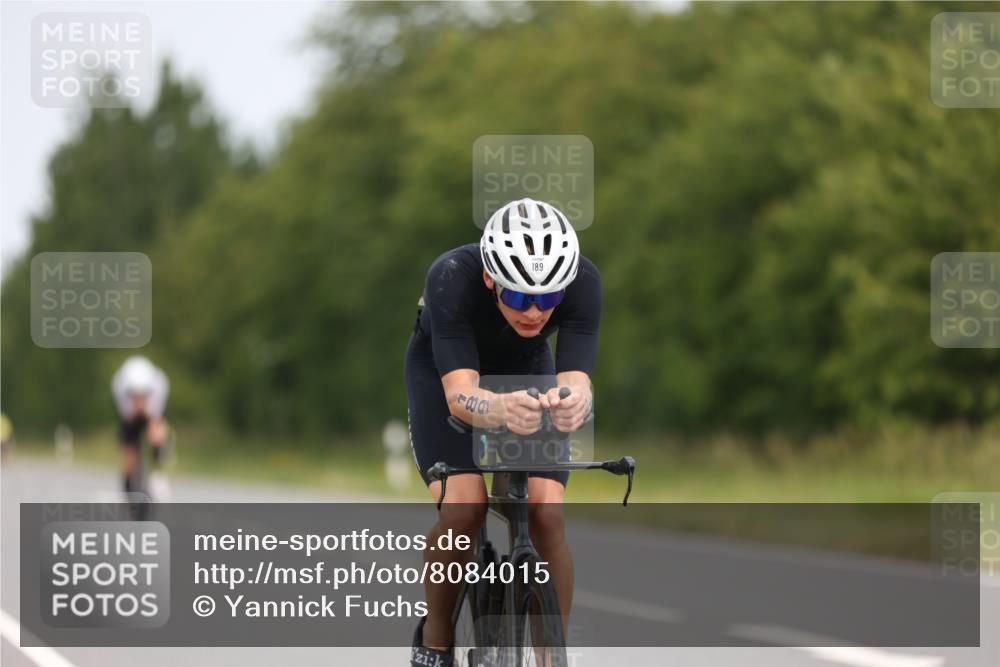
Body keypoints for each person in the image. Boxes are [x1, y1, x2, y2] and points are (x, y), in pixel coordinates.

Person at [406, 198, 601, 665]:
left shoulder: (584, 281)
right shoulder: (450, 276)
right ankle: (435, 641)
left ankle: (552, 656)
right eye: (518, 297)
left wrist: (576, 401)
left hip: (525, 368)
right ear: (491, 278)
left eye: (548, 299)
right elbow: (460, 395)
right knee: (464, 507)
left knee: (547, 511)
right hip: (447, 375)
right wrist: (497, 409)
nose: (534, 313)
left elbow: (576, 377)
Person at [111, 355, 170, 506]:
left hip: (151, 412)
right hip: (129, 415)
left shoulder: (159, 385)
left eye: (142, 395)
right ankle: (127, 484)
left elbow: (156, 417)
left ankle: (157, 468)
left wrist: (148, 414)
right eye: (135, 396)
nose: (139, 400)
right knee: (129, 450)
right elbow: (127, 418)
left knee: (157, 431)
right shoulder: (119, 387)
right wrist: (134, 412)